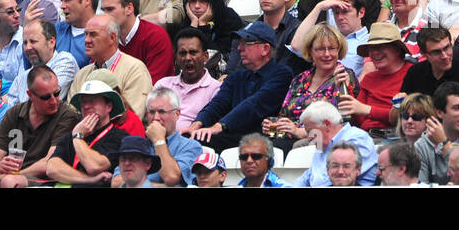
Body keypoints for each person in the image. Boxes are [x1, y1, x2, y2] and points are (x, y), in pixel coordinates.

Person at [186, 21, 295, 152]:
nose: (239, 48)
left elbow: (255, 104)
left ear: (265, 49)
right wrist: (197, 124)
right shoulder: (236, 76)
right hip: (232, 136)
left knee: (202, 140)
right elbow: (217, 103)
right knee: (189, 137)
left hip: (262, 139)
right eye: (240, 43)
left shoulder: (282, 74)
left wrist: (220, 126)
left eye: (246, 43)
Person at [264, 21, 360, 151]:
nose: (327, 54)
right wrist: (274, 126)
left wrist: (300, 132)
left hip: (323, 140)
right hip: (289, 139)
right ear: (310, 51)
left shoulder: (344, 76)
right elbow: (285, 117)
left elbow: (341, 120)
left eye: (332, 48)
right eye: (320, 49)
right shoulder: (299, 79)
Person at [0, 65, 80, 187]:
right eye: (46, 97)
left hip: (42, 179)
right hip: (8, 176)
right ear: (30, 95)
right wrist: (0, 165)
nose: (54, 101)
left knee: (9, 182)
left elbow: (50, 162)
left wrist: (16, 175)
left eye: (57, 93)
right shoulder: (14, 113)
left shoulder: (66, 115)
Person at [45, 77, 131, 187]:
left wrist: (78, 137)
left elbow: (94, 166)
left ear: (108, 107)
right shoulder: (72, 135)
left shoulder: (120, 137)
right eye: (83, 102)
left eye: (93, 101)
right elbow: (52, 168)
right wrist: (90, 180)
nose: (86, 106)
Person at [294, 99, 378, 187]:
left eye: (311, 131)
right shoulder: (321, 144)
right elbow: (308, 176)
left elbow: (333, 179)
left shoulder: (358, 138)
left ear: (327, 124)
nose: (309, 138)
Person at [100, 0, 173, 83]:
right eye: (103, 10)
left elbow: (153, 85)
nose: (104, 15)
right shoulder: (104, 38)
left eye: (110, 9)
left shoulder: (156, 36)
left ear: (129, 8)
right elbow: (96, 77)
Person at [154, 27, 222, 130]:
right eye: (182, 53)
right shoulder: (163, 85)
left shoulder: (216, 90)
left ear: (205, 56)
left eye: (193, 52)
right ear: (176, 58)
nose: (188, 58)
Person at [3, 18, 79, 105]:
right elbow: (7, 110)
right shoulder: (22, 77)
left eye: (33, 41)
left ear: (51, 42)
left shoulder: (65, 61)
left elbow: (43, 104)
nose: (28, 47)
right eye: (25, 43)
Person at [401, 26, 459, 96]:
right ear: (424, 54)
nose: (444, 56)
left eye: (446, 48)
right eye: (436, 52)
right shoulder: (415, 72)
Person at [56, 0, 99, 67]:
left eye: (67, 0)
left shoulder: (101, 35)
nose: (62, 6)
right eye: (61, 1)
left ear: (86, 0)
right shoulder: (56, 30)